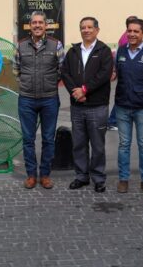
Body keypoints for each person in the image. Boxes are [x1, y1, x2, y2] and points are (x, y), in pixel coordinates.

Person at [61, 17, 113, 193]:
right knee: (79, 144)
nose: (86, 30)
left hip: (97, 106)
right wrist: (74, 92)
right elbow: (65, 73)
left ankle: (98, 177)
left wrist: (84, 90)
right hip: (77, 106)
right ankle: (81, 176)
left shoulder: (104, 51)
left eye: (90, 27)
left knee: (97, 145)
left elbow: (104, 75)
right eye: (83, 27)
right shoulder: (73, 51)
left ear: (97, 30)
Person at [14, 11, 63, 190]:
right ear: (30, 26)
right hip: (26, 99)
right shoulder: (21, 46)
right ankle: (31, 175)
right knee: (28, 139)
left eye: (40, 23)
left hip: (49, 98)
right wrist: (27, 84)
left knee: (48, 139)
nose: (37, 25)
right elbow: (16, 70)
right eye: (34, 23)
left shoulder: (56, 45)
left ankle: (45, 175)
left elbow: (61, 69)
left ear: (45, 25)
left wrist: (49, 83)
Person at [114, 17, 143, 194]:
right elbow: (117, 74)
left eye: (136, 31)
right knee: (123, 144)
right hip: (122, 106)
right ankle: (123, 179)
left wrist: (142, 92)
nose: (132, 34)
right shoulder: (120, 52)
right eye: (129, 31)